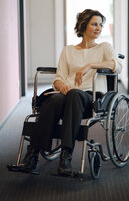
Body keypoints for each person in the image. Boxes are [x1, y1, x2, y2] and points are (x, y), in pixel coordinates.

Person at [19, 9, 122, 176]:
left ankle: (65, 158)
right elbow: (59, 78)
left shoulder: (104, 47)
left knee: (74, 94)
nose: (98, 28)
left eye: (100, 25)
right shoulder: (68, 50)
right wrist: (61, 87)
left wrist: (89, 66)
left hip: (90, 97)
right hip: (66, 95)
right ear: (83, 26)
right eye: (94, 24)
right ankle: (32, 156)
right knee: (53, 100)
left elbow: (117, 65)